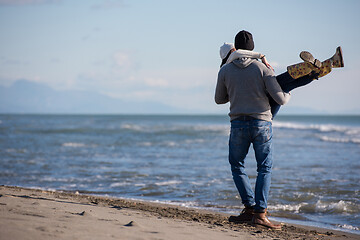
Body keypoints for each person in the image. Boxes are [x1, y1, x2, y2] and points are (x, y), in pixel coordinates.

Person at [214, 30, 343, 230]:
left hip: (238, 123)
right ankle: (259, 214)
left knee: (236, 165)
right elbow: (280, 99)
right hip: (261, 122)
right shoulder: (262, 67)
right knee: (264, 167)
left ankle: (249, 208)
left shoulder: (225, 71)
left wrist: (237, 90)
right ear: (252, 47)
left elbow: (219, 100)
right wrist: (286, 93)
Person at [219, 42, 344, 118]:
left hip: (261, 110)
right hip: (262, 112)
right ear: (232, 52)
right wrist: (261, 56)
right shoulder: (230, 66)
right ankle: (315, 67)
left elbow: (220, 99)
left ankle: (330, 63)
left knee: (285, 85)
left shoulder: (228, 70)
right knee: (279, 82)